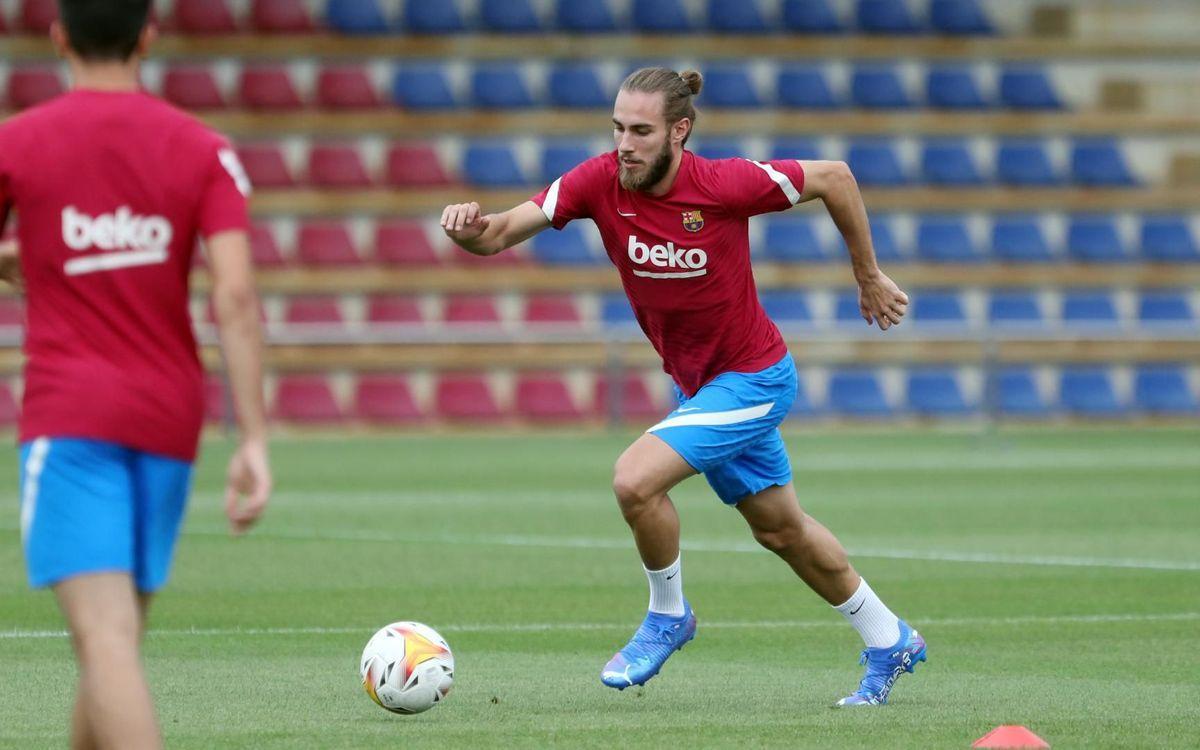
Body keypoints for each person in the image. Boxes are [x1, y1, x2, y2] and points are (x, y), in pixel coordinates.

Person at [440, 67, 923, 707]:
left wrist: (867, 274)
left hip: (754, 380)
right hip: (701, 390)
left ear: (679, 131)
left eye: (641, 131)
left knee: (634, 481)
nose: (625, 144)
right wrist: (468, 230)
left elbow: (835, 176)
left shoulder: (723, 184)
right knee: (782, 532)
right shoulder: (596, 182)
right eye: (618, 128)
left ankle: (668, 615)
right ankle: (890, 638)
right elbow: (498, 232)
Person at [0, 1, 272, 747]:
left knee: (106, 644)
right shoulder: (204, 149)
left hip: (70, 416)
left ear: (58, 36)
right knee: (111, 646)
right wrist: (252, 437)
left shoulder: (16, 143)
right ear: (148, 36)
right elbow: (236, 295)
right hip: (168, 418)